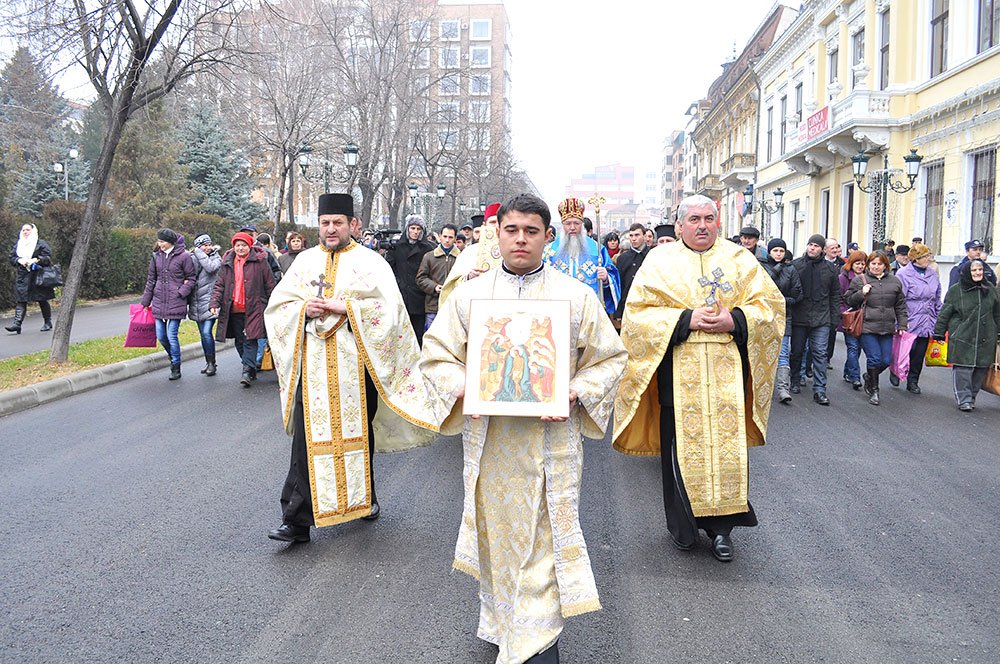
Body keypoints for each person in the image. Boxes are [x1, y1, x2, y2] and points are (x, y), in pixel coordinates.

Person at [420, 193, 627, 664]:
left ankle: (536, 647)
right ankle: (503, 624)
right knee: (499, 541)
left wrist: (573, 391)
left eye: (531, 231)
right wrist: (466, 388)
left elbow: (611, 359)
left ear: (547, 237)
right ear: (497, 234)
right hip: (490, 443)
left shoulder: (575, 297)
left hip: (551, 444)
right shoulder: (470, 296)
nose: (520, 239)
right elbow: (435, 356)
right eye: (511, 230)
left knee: (544, 542)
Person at [613, 194, 784, 562]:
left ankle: (722, 531)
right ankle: (683, 527)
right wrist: (683, 320)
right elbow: (638, 316)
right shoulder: (659, 261)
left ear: (718, 222)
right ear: (679, 225)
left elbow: (771, 308)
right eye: (694, 219)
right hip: (677, 373)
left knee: (725, 451)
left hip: (727, 376)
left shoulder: (739, 259)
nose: (702, 225)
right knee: (679, 450)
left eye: (709, 218)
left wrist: (735, 320)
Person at [264, 193, 438, 543]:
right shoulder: (303, 262)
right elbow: (278, 309)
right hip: (312, 367)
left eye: (338, 223)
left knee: (360, 436)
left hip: (358, 367)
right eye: (325, 223)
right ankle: (296, 520)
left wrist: (347, 308)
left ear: (351, 225)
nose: (331, 229)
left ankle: (364, 498)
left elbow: (391, 314)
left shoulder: (372, 263)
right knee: (305, 440)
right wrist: (304, 311)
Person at [933, 259, 1000, 411]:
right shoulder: (956, 290)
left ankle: (972, 396)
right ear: (967, 273)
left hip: (986, 335)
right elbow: (945, 313)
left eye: (980, 270)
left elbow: (997, 313)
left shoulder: (990, 289)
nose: (978, 273)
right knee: (963, 368)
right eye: (974, 270)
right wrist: (939, 333)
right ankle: (964, 399)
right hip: (962, 335)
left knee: (980, 368)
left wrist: (998, 332)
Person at [210, 232, 275, 387]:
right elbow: (219, 285)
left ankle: (246, 370)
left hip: (255, 307)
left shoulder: (260, 261)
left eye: (243, 245)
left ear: (249, 246)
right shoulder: (227, 262)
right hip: (233, 308)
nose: (240, 248)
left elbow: (269, 283)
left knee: (250, 339)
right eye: (237, 245)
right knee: (239, 340)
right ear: (233, 246)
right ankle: (250, 366)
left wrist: (274, 304)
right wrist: (214, 303)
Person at [844, 251, 908, 406]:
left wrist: (902, 324)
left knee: (886, 360)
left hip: (887, 327)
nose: (876, 267)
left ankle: (869, 376)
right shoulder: (860, 280)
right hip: (867, 326)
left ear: (885, 265)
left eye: (879, 264)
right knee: (874, 358)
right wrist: (861, 293)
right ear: (868, 265)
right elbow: (848, 299)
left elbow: (900, 305)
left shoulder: (894, 281)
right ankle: (874, 390)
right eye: (873, 264)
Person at [544, 197, 622, 316]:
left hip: (589, 312)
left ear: (582, 224)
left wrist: (606, 278)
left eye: (576, 223)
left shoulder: (597, 249)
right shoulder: (549, 251)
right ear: (562, 225)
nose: (572, 227)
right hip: (558, 312)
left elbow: (612, 275)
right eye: (568, 223)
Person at [788, 234, 840, 404]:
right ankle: (795, 379)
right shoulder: (796, 265)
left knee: (820, 353)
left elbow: (834, 295)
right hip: (799, 317)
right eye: (810, 244)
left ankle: (820, 389)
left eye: (816, 246)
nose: (812, 248)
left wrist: (834, 319)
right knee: (797, 351)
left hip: (821, 317)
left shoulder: (830, 269)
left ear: (822, 249)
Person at [140, 229, 196, 380]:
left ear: (170, 242)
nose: (160, 244)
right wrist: (146, 301)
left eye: (163, 241)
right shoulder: (156, 256)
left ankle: (175, 366)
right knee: (161, 336)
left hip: (176, 300)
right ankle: (173, 356)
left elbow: (191, 278)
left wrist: (181, 292)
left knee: (172, 335)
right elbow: (151, 279)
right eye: (159, 241)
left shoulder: (184, 256)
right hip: (159, 300)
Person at [894, 243, 941, 393]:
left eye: (929, 256)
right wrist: (900, 321)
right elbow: (899, 299)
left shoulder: (933, 274)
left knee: (919, 353)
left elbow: (937, 298)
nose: (929, 259)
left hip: (927, 319)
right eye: (925, 256)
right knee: (906, 350)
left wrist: (940, 318)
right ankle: (895, 369)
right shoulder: (903, 274)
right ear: (916, 258)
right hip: (910, 317)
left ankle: (913, 381)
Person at [761, 238, 802, 403]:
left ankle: (783, 388)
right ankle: (762, 387)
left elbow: (798, 292)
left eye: (781, 251)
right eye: (775, 251)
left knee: (783, 353)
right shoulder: (762, 266)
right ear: (769, 252)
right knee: (764, 353)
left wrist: (784, 301)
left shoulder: (791, 269)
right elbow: (762, 287)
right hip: (764, 316)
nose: (778, 254)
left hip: (784, 316)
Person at [437, 203, 502, 307]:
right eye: (493, 222)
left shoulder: (514, 252)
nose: (496, 226)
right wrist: (469, 277)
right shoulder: (469, 252)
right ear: (484, 225)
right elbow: (451, 286)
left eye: (500, 222)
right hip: (475, 306)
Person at [385, 214, 435, 345]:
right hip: (401, 295)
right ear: (407, 229)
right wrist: (398, 283)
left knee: (418, 336)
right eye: (412, 228)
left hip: (419, 297)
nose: (415, 232)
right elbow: (389, 268)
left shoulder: (428, 248)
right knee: (401, 335)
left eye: (418, 229)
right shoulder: (396, 247)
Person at [5, 223, 56, 334]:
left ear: (33, 231)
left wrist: (36, 260)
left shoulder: (40, 243)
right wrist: (19, 260)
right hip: (23, 277)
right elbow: (12, 258)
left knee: (42, 299)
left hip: (37, 276)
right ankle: (17, 324)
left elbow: (47, 257)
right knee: (21, 300)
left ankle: (48, 322)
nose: (25, 232)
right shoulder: (19, 244)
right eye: (23, 230)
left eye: (28, 230)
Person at [415, 223, 461, 332]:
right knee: (431, 337)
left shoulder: (461, 257)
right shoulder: (430, 256)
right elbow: (420, 278)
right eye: (445, 236)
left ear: (455, 239)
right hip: (433, 305)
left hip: (454, 305)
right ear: (440, 236)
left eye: (450, 237)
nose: (447, 240)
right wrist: (434, 287)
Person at [188, 234, 222, 376]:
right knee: (203, 334)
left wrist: (198, 252)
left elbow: (210, 268)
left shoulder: (216, 258)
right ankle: (209, 361)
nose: (207, 247)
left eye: (208, 244)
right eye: (203, 245)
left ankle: (211, 364)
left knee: (207, 332)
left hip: (210, 301)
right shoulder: (192, 259)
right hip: (196, 302)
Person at [838, 250, 868, 390]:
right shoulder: (843, 278)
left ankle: (847, 371)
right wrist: (843, 312)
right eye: (857, 263)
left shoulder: (867, 278)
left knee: (858, 348)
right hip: (849, 317)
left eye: (863, 263)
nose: (860, 266)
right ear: (851, 263)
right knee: (853, 346)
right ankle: (855, 377)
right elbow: (839, 298)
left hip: (863, 317)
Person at [614, 223, 648, 322]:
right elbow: (620, 285)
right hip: (627, 305)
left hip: (646, 305)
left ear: (644, 237)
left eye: (637, 235)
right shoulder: (622, 258)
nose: (633, 239)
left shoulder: (652, 255)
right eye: (631, 235)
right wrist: (618, 311)